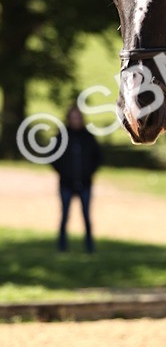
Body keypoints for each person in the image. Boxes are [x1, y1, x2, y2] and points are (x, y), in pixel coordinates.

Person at [53, 105, 103, 252]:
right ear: (69, 119)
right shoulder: (62, 137)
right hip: (66, 184)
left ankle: (89, 247)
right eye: (73, 118)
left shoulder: (88, 137)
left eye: (78, 118)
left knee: (86, 217)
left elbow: (98, 157)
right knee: (64, 216)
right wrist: (64, 172)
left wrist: (88, 172)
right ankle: (62, 247)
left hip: (85, 183)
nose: (76, 120)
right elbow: (53, 158)